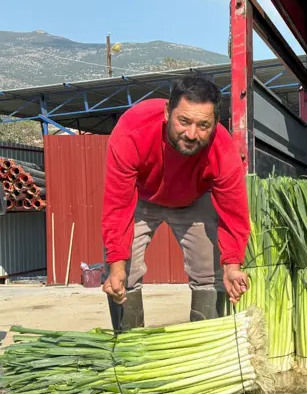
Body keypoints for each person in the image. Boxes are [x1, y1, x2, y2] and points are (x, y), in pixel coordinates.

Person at [101, 75, 250, 331]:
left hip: (194, 199)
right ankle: (129, 347)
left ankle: (204, 346)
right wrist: (116, 265)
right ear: (167, 112)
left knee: (210, 272)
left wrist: (233, 266)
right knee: (123, 272)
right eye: (184, 121)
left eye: (203, 125)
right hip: (142, 197)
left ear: (216, 123)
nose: (191, 134)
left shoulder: (223, 149)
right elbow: (117, 206)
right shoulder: (132, 131)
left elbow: (233, 213)